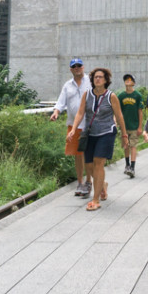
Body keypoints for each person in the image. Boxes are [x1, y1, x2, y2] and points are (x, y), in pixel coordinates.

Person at [70, 67, 128, 211]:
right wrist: (73, 129)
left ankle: (95, 200)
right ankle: (102, 184)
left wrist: (124, 135)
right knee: (89, 166)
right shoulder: (87, 95)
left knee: (98, 163)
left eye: (101, 77)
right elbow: (80, 113)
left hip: (106, 132)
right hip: (90, 133)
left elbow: (119, 116)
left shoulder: (111, 96)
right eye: (95, 77)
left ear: (106, 80)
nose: (98, 79)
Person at [49, 58, 93, 197]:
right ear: (70, 69)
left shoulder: (91, 82)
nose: (77, 68)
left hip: (90, 124)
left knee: (88, 154)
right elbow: (60, 103)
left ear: (83, 67)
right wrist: (56, 112)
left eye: (79, 65)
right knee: (77, 155)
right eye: (74, 66)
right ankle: (80, 182)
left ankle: (89, 181)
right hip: (74, 125)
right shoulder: (67, 85)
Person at [117, 74, 144, 178]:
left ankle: (132, 167)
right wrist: (116, 121)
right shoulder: (121, 96)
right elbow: (118, 110)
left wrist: (140, 126)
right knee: (126, 146)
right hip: (124, 126)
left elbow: (140, 111)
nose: (128, 81)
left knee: (133, 145)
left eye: (130, 80)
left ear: (133, 83)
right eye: (126, 80)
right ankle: (127, 165)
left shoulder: (137, 95)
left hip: (134, 125)